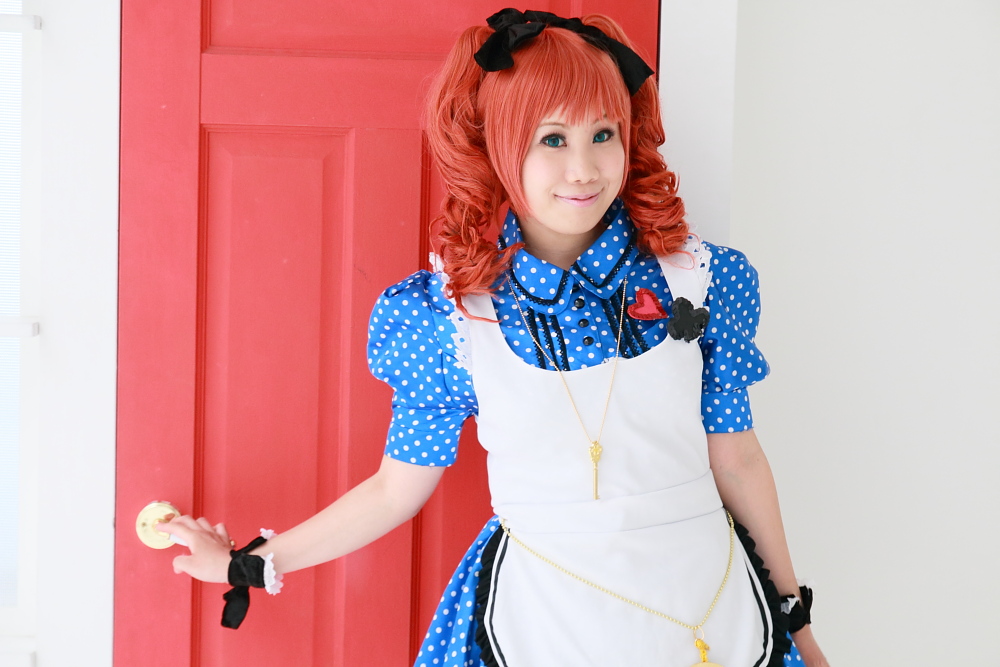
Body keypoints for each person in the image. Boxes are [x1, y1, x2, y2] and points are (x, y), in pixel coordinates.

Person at [161, 9, 830, 667]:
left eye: (603, 133)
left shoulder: (702, 280)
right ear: (500, 149)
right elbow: (395, 490)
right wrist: (251, 563)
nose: (584, 168)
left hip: (709, 611)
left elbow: (737, 460)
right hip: (538, 618)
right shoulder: (448, 319)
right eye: (552, 140)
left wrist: (797, 624)